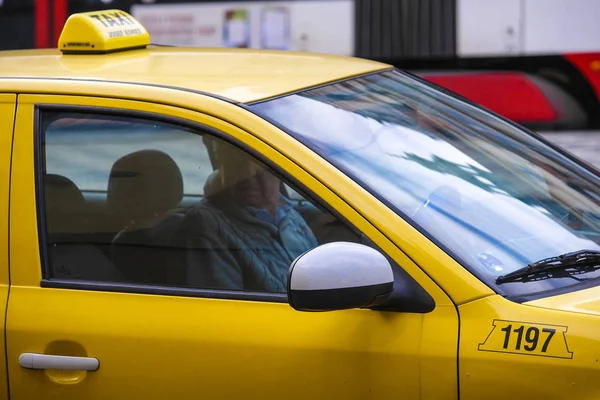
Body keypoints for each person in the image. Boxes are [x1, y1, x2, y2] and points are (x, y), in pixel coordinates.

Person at [174, 139, 318, 292]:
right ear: (223, 167)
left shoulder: (291, 214)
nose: (248, 174)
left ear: (280, 170)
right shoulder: (207, 223)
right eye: (236, 163)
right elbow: (222, 305)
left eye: (260, 163)